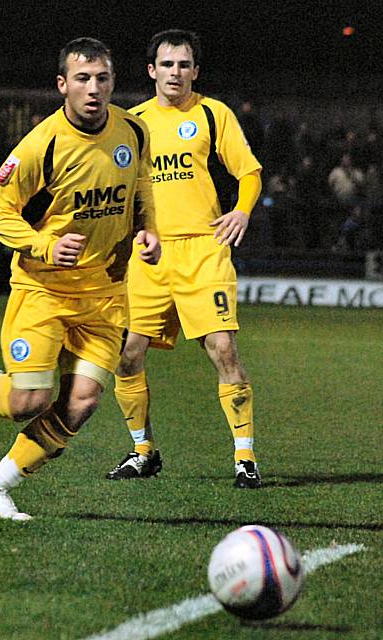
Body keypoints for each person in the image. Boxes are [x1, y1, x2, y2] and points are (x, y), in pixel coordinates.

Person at [0, 37, 160, 520]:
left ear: (113, 83)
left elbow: (141, 186)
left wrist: (147, 229)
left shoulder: (133, 131)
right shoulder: (41, 144)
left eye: (102, 78)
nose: (94, 89)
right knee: (31, 400)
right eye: (82, 79)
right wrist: (44, 244)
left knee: (82, 402)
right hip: (43, 290)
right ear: (63, 85)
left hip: (104, 293)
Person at [105, 29, 263, 488]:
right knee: (128, 356)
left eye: (184, 65)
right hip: (148, 255)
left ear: (196, 71)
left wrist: (242, 209)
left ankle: (245, 457)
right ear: (152, 70)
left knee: (224, 350)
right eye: (167, 65)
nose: (176, 73)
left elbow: (248, 171)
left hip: (202, 250)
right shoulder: (130, 123)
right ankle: (142, 452)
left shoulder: (214, 114)